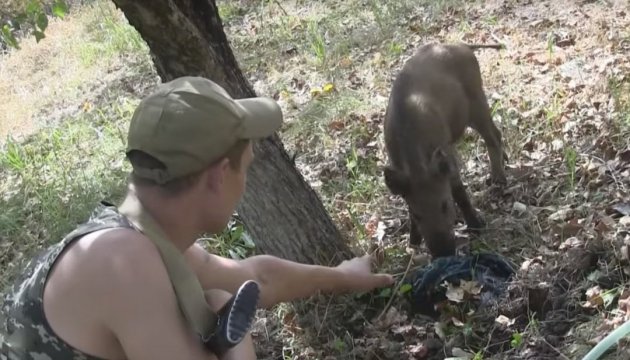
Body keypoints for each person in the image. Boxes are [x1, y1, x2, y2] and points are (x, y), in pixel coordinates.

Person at [0, 76, 394, 360]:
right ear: (219, 176)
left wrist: (344, 277)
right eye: (246, 168)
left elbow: (259, 277)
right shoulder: (124, 266)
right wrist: (235, 339)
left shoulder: (136, 238)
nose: (245, 183)